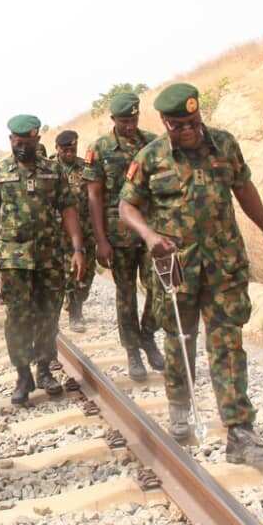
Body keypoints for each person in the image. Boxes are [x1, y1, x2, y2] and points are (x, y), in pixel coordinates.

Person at [119, 83, 263, 464]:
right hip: (177, 267)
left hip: (224, 264)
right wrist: (148, 235)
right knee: (180, 339)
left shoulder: (224, 145)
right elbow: (126, 208)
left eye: (193, 122)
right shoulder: (151, 157)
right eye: (179, 125)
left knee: (227, 343)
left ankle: (240, 432)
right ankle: (180, 412)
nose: (189, 131)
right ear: (164, 122)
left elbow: (245, 189)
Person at [0, 115, 86, 405]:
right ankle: (23, 374)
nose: (22, 146)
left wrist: (78, 249)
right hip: (14, 260)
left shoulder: (53, 172)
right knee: (18, 318)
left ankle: (44, 369)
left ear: (38, 140)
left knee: (49, 314)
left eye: (27, 141)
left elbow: (68, 210)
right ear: (11, 140)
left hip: (49, 257)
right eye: (17, 141)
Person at [84, 92, 164, 381]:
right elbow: (94, 196)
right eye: (124, 120)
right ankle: (132, 351)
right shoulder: (100, 148)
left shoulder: (154, 143)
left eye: (133, 119)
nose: (130, 125)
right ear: (113, 120)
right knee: (126, 294)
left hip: (151, 229)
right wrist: (100, 239)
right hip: (118, 234)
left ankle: (148, 335)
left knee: (160, 288)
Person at [53, 130, 95, 334]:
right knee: (69, 272)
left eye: (72, 149)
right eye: (64, 149)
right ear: (57, 148)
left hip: (85, 229)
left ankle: (76, 301)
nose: (69, 153)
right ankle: (75, 311)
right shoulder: (50, 169)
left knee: (88, 272)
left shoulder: (86, 168)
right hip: (58, 232)